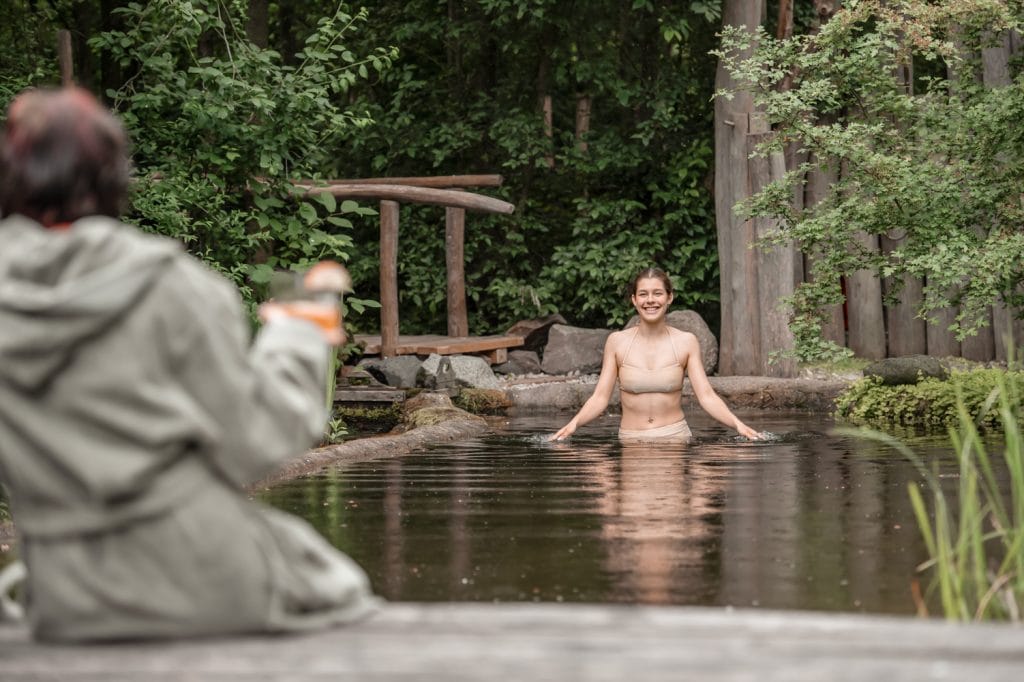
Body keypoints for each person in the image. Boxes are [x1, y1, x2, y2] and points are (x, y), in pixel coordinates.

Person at [0, 87, 378, 641]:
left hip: (67, 597)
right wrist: (298, 337)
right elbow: (257, 443)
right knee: (334, 582)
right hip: (205, 577)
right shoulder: (170, 287)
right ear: (112, 178)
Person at [551, 267, 762, 443]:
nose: (650, 300)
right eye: (643, 294)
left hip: (674, 437)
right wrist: (573, 424)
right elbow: (600, 398)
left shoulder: (686, 342)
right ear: (634, 300)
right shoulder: (617, 342)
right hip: (632, 439)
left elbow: (706, 396)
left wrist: (738, 424)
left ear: (669, 297)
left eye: (657, 293)